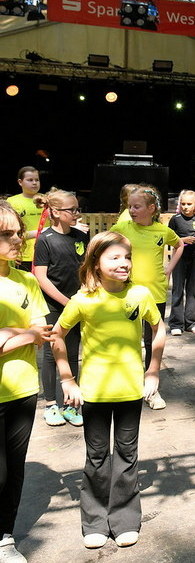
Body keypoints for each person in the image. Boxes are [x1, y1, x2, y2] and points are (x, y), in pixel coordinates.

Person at [51, 231, 165, 550]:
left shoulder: (140, 294)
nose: (123, 263)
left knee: (127, 455)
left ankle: (125, 519)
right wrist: (67, 379)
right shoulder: (82, 300)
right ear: (95, 263)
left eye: (127, 257)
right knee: (97, 456)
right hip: (94, 393)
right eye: (114, 257)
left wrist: (153, 370)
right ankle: (95, 521)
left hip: (131, 391)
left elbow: (158, 328)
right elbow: (57, 336)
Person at [0, 200, 51, 563]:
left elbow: (42, 333)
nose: (18, 239)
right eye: (7, 234)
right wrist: (27, 334)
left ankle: (4, 536)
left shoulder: (26, 280)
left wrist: (11, 335)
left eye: (18, 231)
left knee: (13, 472)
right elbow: (32, 333)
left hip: (24, 390)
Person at [111, 186, 183, 410]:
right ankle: (126, 380)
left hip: (156, 293)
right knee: (127, 337)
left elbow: (179, 245)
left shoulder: (162, 231)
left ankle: (151, 386)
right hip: (127, 292)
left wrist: (169, 269)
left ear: (151, 209)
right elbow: (103, 246)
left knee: (153, 339)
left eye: (136, 206)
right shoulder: (122, 228)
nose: (131, 210)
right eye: (129, 206)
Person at [33, 188, 88, 427]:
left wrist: (82, 298)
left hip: (76, 304)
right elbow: (41, 277)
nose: (77, 213)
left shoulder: (80, 236)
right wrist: (67, 303)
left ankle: (70, 404)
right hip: (54, 306)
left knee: (73, 352)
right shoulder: (45, 240)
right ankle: (50, 404)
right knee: (51, 353)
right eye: (71, 210)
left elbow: (85, 268)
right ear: (55, 212)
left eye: (78, 209)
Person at [168, 190, 195, 336]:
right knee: (177, 289)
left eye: (189, 204)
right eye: (183, 204)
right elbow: (169, 239)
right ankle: (176, 323)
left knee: (192, 290)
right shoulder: (175, 219)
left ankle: (191, 322)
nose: (185, 207)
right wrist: (182, 240)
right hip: (179, 258)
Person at [7, 166, 48, 271]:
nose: (34, 183)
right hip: (23, 254)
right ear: (20, 182)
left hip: (47, 252)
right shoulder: (11, 202)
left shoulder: (48, 199)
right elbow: (8, 231)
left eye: (37, 180)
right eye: (30, 180)